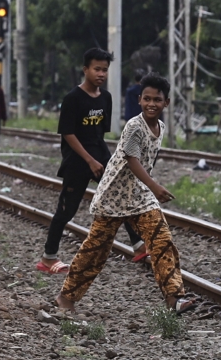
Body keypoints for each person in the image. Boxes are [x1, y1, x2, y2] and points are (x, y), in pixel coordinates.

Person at [54, 72, 196, 315]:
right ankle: (65, 298)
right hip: (114, 197)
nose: (152, 104)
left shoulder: (160, 127)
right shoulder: (134, 126)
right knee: (95, 251)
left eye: (157, 100)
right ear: (139, 100)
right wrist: (155, 186)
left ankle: (174, 298)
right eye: (147, 99)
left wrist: (149, 188)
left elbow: (148, 160)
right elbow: (132, 160)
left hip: (139, 196)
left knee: (162, 242)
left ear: (166, 103)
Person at [36, 48, 147, 275]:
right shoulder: (72, 99)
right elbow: (68, 133)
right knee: (66, 210)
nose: (101, 74)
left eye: (105, 70)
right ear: (85, 69)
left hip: (100, 155)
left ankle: (138, 245)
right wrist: (89, 160)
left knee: (120, 196)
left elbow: (99, 133)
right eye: (97, 69)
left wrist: (108, 159)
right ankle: (48, 258)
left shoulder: (106, 98)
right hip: (77, 160)